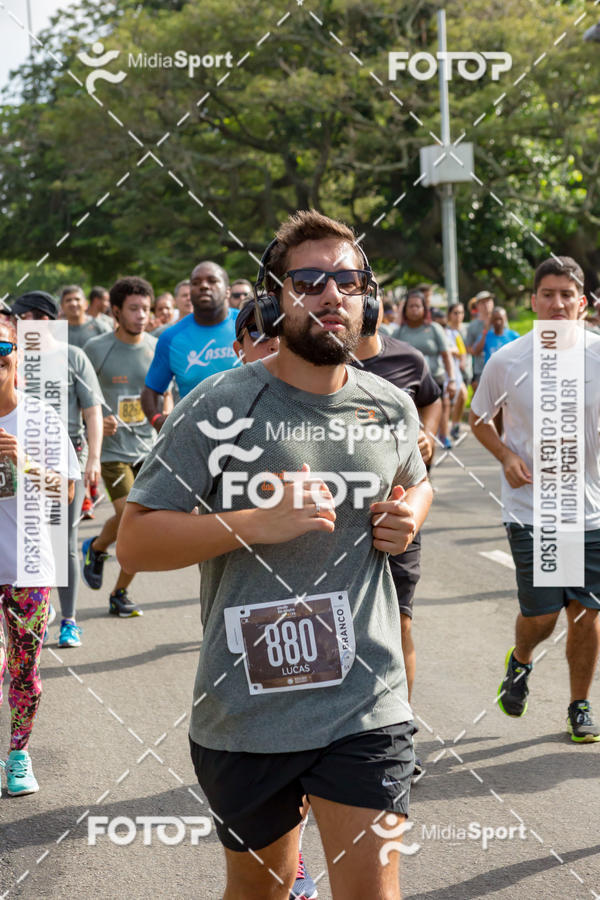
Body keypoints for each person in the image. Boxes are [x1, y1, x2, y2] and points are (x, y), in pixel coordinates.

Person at [118, 210, 433, 900]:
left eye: (348, 281)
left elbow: (417, 481)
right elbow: (137, 537)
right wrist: (254, 524)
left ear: (368, 299)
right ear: (274, 297)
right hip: (246, 710)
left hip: (366, 702)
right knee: (259, 893)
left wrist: (411, 514)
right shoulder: (218, 406)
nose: (331, 296)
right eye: (310, 281)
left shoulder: (389, 407)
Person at [470, 256, 600, 742]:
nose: (558, 303)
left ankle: (579, 704)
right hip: (534, 510)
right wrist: (504, 456)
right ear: (533, 301)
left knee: (586, 613)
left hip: (590, 509)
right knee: (544, 616)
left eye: (568, 294)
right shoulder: (510, 360)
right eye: (549, 294)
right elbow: (479, 417)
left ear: (582, 303)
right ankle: (521, 659)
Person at [353, 298, 441, 781]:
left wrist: (427, 435)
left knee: (400, 623)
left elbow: (431, 400)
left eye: (358, 287)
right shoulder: (321, 357)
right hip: (336, 519)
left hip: (397, 511)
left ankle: (397, 731)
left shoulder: (408, 359)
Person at [0, 319, 79, 794]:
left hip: (27, 564)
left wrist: (23, 463)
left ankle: (17, 753)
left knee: (24, 668)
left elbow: (66, 493)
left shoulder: (40, 418)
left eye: (2, 344)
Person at [10, 291, 105, 648]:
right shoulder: (13, 357)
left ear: (43, 320)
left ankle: (69, 619)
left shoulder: (72, 357)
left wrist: (93, 459)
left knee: (61, 539)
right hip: (17, 458)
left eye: (21, 317)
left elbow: (92, 412)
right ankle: (37, 605)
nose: (15, 324)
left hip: (66, 460)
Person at [82, 277, 157, 618]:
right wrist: (94, 422)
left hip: (147, 447)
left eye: (146, 308)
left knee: (147, 523)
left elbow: (162, 392)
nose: (142, 315)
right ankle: (97, 547)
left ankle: (119, 590)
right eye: (134, 309)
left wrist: (163, 414)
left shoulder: (157, 347)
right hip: (112, 450)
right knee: (131, 515)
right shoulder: (96, 349)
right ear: (115, 312)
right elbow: (81, 398)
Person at [140, 261, 238, 432]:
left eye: (212, 281)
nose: (204, 286)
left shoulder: (250, 325)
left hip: (248, 431)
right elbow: (151, 390)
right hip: (196, 437)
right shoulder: (171, 338)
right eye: (196, 283)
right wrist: (157, 421)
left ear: (227, 291)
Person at [393, 290, 455, 448]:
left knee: (431, 424)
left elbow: (446, 356)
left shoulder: (434, 328)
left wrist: (452, 380)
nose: (414, 309)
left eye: (418, 306)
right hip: (409, 385)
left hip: (435, 380)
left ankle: (441, 438)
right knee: (414, 424)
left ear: (424, 309)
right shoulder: (399, 332)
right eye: (411, 306)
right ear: (405, 309)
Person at [445, 302, 470, 442]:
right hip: (447, 371)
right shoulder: (446, 330)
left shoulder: (464, 330)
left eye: (461, 313)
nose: (458, 316)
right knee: (449, 401)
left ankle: (455, 425)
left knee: (462, 396)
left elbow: (463, 352)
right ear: (449, 315)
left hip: (461, 370)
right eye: (455, 313)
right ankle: (443, 431)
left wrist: (463, 361)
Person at [61, 285, 112, 349]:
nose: (73, 303)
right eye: (68, 300)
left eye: (77, 299)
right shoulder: (57, 331)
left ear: (86, 304)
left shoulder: (101, 327)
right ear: (62, 306)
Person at [465, 290, 494, 391]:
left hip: (499, 367)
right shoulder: (473, 325)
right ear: (477, 306)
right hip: (481, 369)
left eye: (489, 301)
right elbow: (468, 348)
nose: (486, 304)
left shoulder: (500, 320)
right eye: (483, 302)